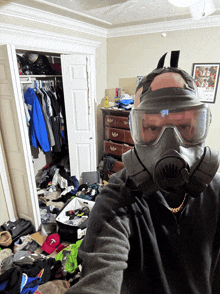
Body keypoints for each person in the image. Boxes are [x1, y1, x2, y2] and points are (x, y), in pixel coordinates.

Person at [65, 51, 220, 294]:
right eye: (151, 127)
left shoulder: (218, 192)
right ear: (135, 129)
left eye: (183, 125)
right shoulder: (116, 200)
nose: (171, 143)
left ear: (201, 125)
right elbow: (99, 277)